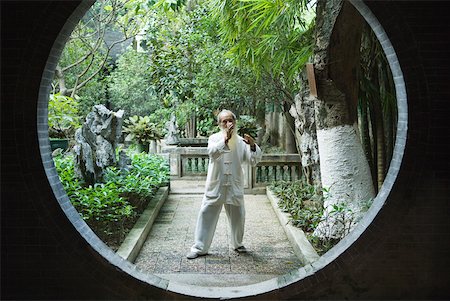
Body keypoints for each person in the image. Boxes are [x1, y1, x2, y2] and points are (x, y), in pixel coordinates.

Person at [186, 109, 262, 259]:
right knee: (206, 213)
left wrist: (253, 146)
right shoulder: (214, 139)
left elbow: (253, 161)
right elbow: (213, 153)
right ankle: (199, 247)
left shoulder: (241, 141)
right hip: (216, 184)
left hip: (234, 184)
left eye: (230, 121)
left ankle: (238, 244)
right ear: (219, 124)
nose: (228, 124)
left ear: (235, 122)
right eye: (224, 121)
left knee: (238, 215)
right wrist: (225, 140)